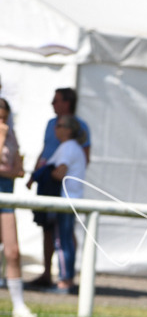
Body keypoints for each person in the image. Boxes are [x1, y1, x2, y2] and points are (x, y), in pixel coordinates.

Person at [27, 87, 90, 288]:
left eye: (56, 101)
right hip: (59, 193)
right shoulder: (54, 130)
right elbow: (45, 151)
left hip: (63, 195)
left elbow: (60, 171)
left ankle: (66, 278)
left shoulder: (70, 145)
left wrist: (49, 173)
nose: (53, 104)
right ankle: (54, 274)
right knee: (55, 234)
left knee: (64, 238)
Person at [0, 97, 36, 317]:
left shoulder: (11, 134)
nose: (2, 122)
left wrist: (17, 169)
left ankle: (18, 306)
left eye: (4, 118)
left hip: (7, 193)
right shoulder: (5, 134)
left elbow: (17, 170)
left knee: (12, 251)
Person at [48, 115, 88, 293]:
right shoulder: (76, 148)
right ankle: (68, 279)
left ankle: (65, 281)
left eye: (60, 126)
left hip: (65, 200)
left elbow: (60, 173)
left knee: (62, 241)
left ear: (69, 129)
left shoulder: (67, 147)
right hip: (73, 199)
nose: (56, 128)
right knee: (67, 240)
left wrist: (44, 172)